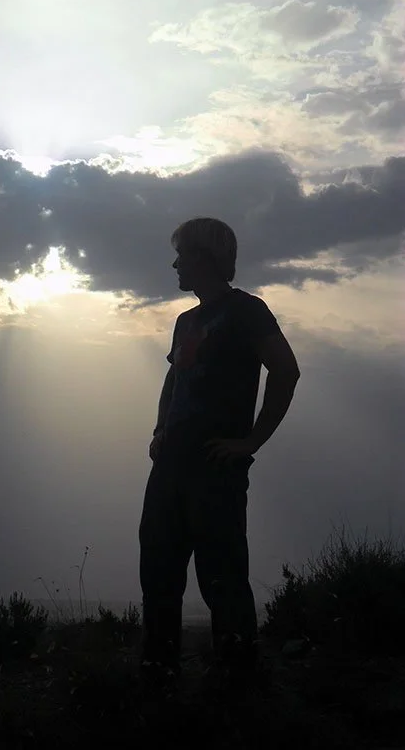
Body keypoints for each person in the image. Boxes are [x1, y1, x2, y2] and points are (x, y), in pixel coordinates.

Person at [139, 216, 301, 694]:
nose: (175, 264)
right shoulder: (186, 321)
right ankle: (159, 675)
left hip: (215, 467)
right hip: (172, 466)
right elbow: (175, 379)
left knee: (222, 577)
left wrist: (251, 442)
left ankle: (239, 681)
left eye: (182, 255)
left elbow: (286, 371)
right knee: (159, 571)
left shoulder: (247, 311)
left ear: (205, 259)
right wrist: (160, 427)